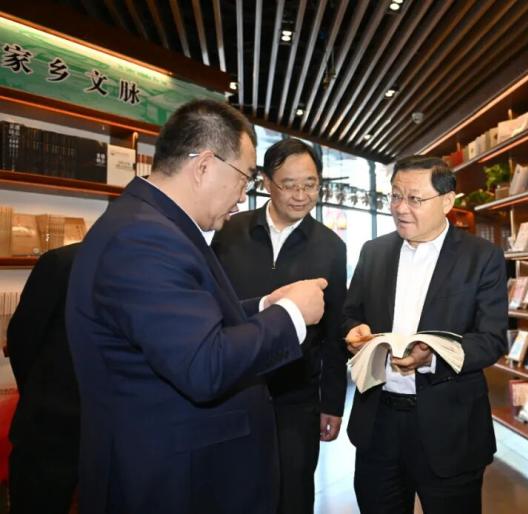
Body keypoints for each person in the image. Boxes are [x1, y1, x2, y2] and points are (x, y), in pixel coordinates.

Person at [65, 99, 327, 514]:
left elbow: (187, 324)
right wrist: (291, 314)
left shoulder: (152, 225)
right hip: (171, 481)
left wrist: (265, 304)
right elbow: (204, 365)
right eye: (244, 177)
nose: (243, 195)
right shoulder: (145, 238)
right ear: (205, 165)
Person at [344, 155, 507, 514]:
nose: (400, 208)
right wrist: (353, 332)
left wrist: (433, 355)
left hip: (450, 428)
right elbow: (350, 314)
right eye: (395, 196)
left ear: (447, 201)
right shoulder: (374, 252)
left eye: (414, 199)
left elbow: (491, 338)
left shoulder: (482, 257)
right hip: (378, 425)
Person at [211, 138, 347, 514]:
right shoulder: (229, 231)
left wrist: (332, 403)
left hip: (297, 397)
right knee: (233, 492)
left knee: (293, 494)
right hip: (233, 390)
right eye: (289, 185)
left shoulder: (331, 247)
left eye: (310, 184)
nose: (301, 196)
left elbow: (335, 332)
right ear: (267, 183)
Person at [7, 243, 80, 514]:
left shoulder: (62, 260)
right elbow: (22, 338)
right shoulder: (61, 262)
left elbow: (21, 339)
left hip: (56, 420)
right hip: (51, 425)